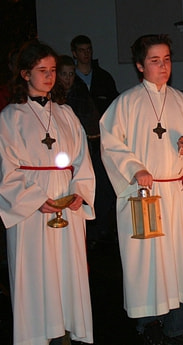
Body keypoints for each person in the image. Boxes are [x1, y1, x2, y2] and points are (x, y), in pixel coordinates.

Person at [100, 34, 183, 345]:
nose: (163, 66)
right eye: (154, 60)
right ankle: (148, 324)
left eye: (166, 60)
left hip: (178, 193)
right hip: (145, 196)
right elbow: (111, 145)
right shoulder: (124, 104)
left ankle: (179, 326)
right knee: (148, 261)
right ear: (139, 65)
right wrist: (135, 169)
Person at [0, 41, 95, 344]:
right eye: (42, 70)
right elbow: (6, 169)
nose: (50, 76)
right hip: (31, 209)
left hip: (66, 204)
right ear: (25, 74)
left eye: (53, 70)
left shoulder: (66, 114)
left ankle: (66, 330)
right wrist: (36, 201)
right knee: (35, 273)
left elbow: (82, 161)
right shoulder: (10, 118)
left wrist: (79, 192)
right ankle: (36, 334)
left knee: (67, 272)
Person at [57, 54, 117, 248]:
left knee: (100, 188)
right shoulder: (56, 101)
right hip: (63, 155)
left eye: (71, 74)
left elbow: (92, 120)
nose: (67, 79)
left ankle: (98, 229)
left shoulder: (81, 93)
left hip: (90, 146)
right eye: (63, 74)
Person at [70, 34, 119, 115]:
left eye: (88, 49)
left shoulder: (104, 77)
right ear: (75, 53)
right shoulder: (70, 77)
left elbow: (114, 102)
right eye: (82, 50)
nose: (86, 53)